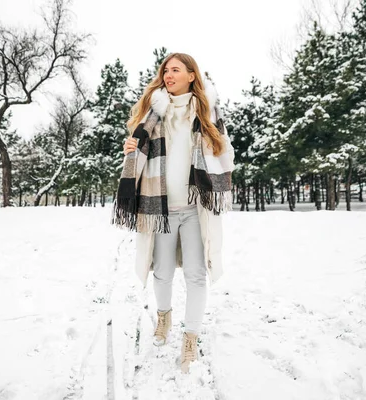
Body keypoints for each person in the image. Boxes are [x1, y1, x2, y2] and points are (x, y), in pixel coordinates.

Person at [112, 53, 235, 373]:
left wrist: (213, 143)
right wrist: (131, 147)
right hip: (161, 207)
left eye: (176, 70)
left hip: (195, 208)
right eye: (165, 70)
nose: (168, 75)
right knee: (162, 271)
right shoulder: (155, 110)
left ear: (192, 76)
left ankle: (190, 337)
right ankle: (163, 317)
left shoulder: (206, 109)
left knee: (196, 274)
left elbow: (226, 152)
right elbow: (138, 148)